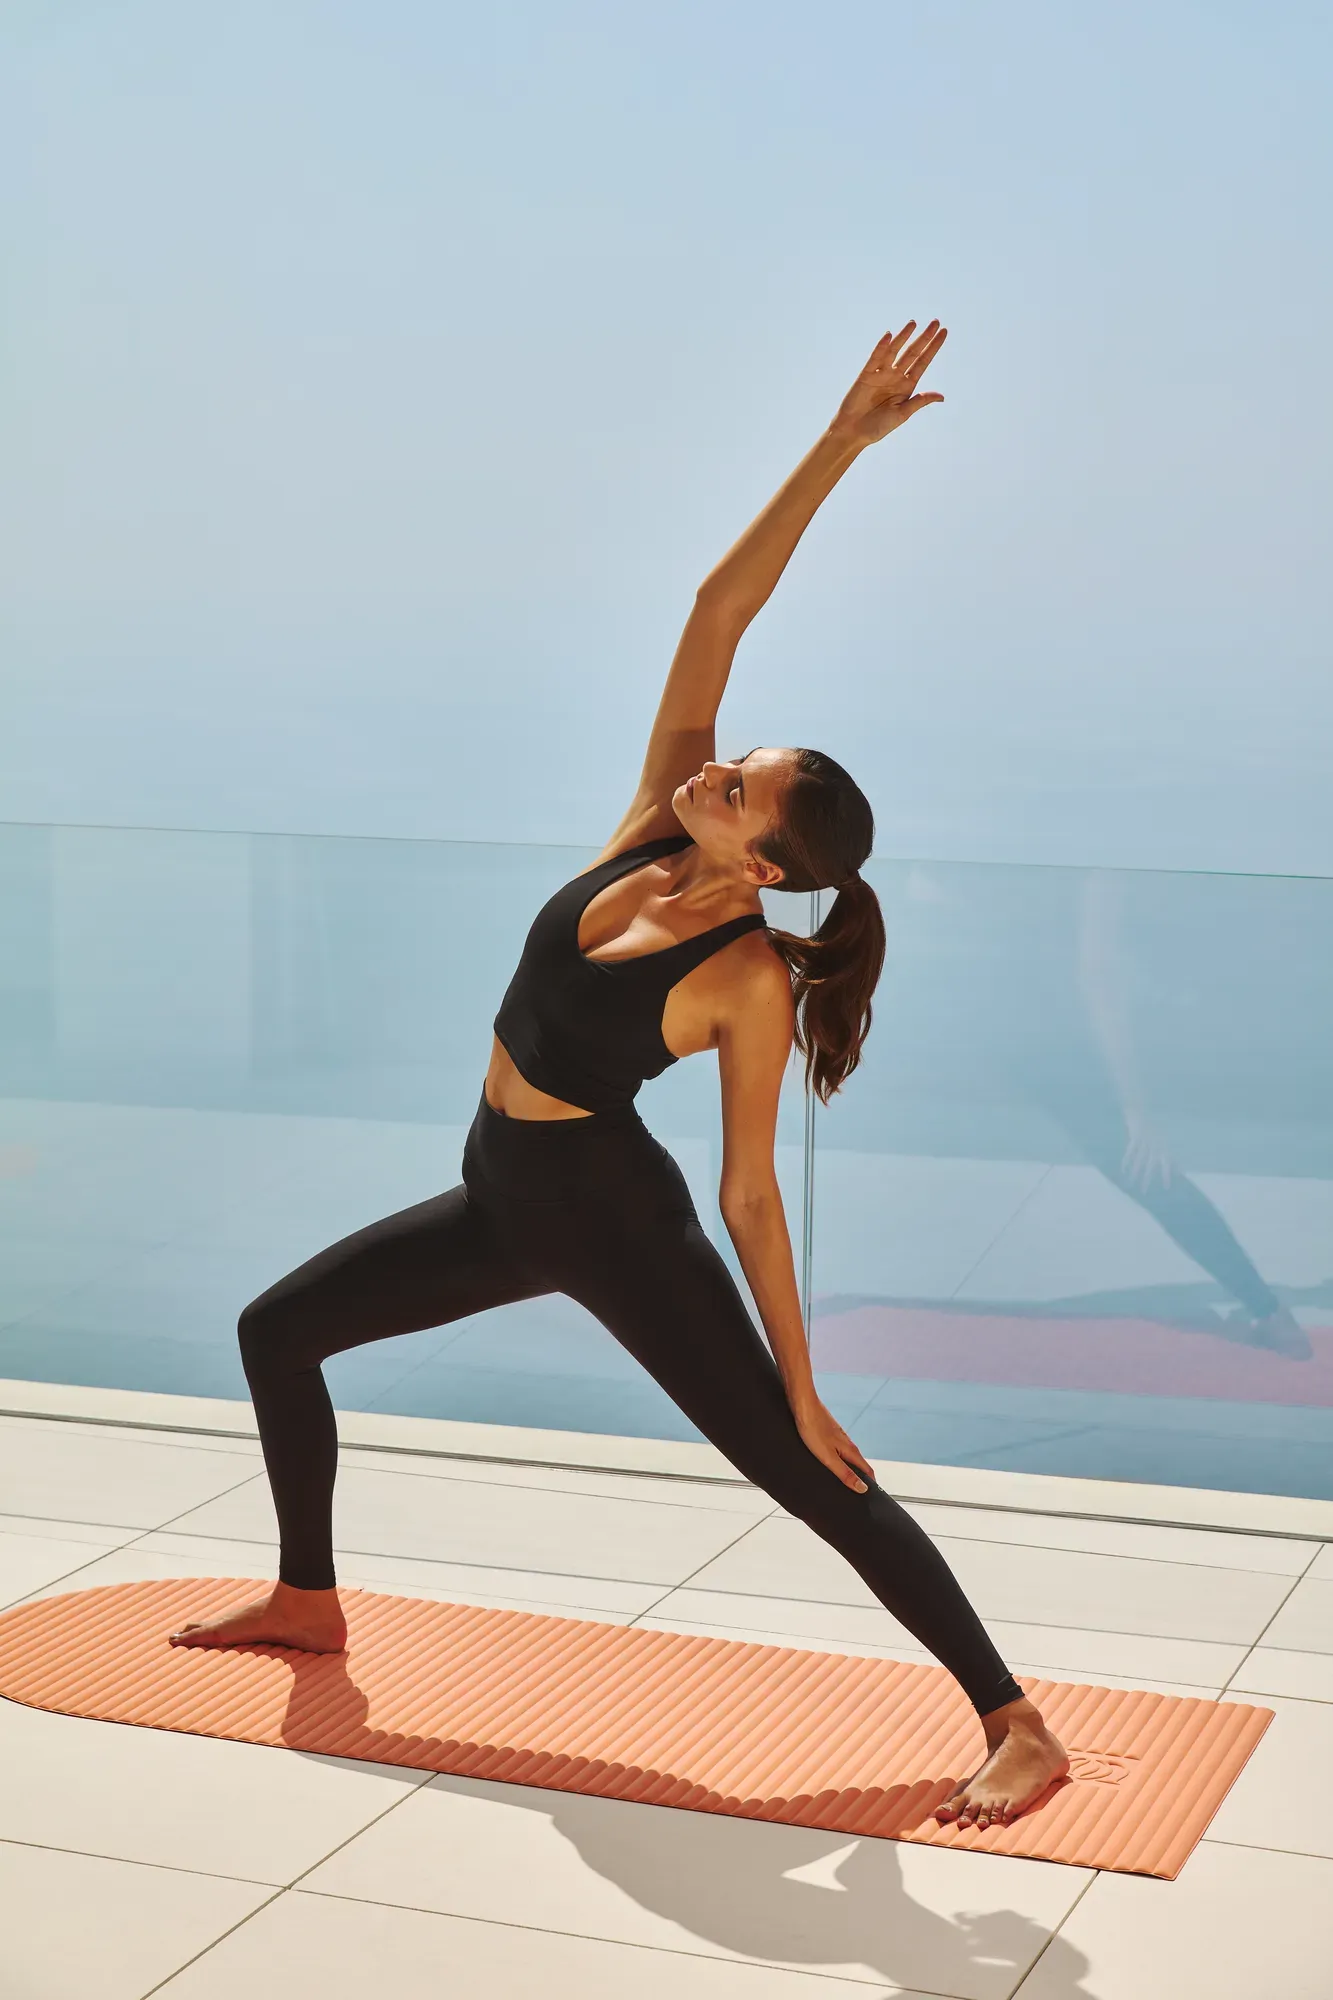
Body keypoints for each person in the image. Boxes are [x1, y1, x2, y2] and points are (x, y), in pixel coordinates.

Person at [170, 322, 1068, 1830]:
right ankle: (308, 1598)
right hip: (499, 1196)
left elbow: (749, 1196)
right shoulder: (654, 823)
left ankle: (1014, 1719)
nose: (716, 769)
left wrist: (803, 1381)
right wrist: (842, 445)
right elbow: (721, 604)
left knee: (799, 1468)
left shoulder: (746, 981)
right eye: (734, 758)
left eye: (740, 786)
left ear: (764, 860)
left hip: (615, 1222)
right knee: (279, 1333)